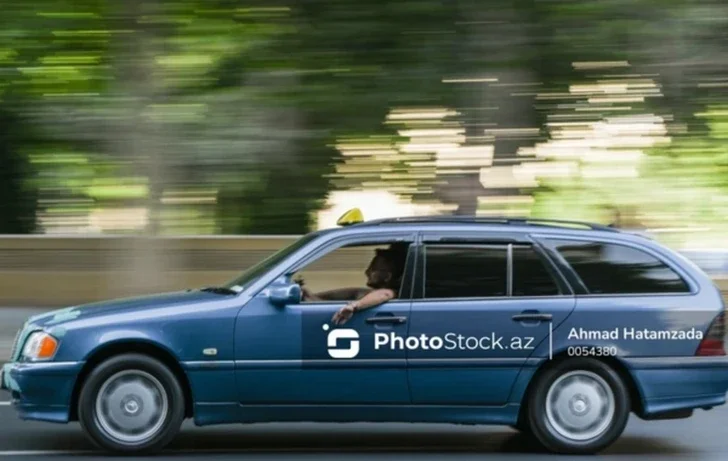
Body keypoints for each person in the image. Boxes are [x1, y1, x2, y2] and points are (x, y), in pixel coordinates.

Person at [299, 244, 407, 325]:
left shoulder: (391, 292)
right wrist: (309, 295)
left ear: (387, 276)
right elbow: (348, 293)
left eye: (373, 269)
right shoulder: (367, 293)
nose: (367, 272)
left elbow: (384, 294)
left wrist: (354, 306)